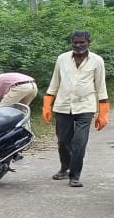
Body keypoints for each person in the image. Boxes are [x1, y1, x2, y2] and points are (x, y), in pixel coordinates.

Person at [42, 30, 109, 188]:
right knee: (63, 141)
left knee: (79, 142)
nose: (78, 45)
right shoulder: (62, 59)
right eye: (75, 42)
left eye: (82, 42)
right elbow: (55, 82)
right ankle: (65, 167)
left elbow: (101, 86)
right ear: (72, 43)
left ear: (88, 43)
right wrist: (47, 104)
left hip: (86, 106)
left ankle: (75, 175)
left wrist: (103, 112)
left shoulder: (97, 61)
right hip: (63, 105)